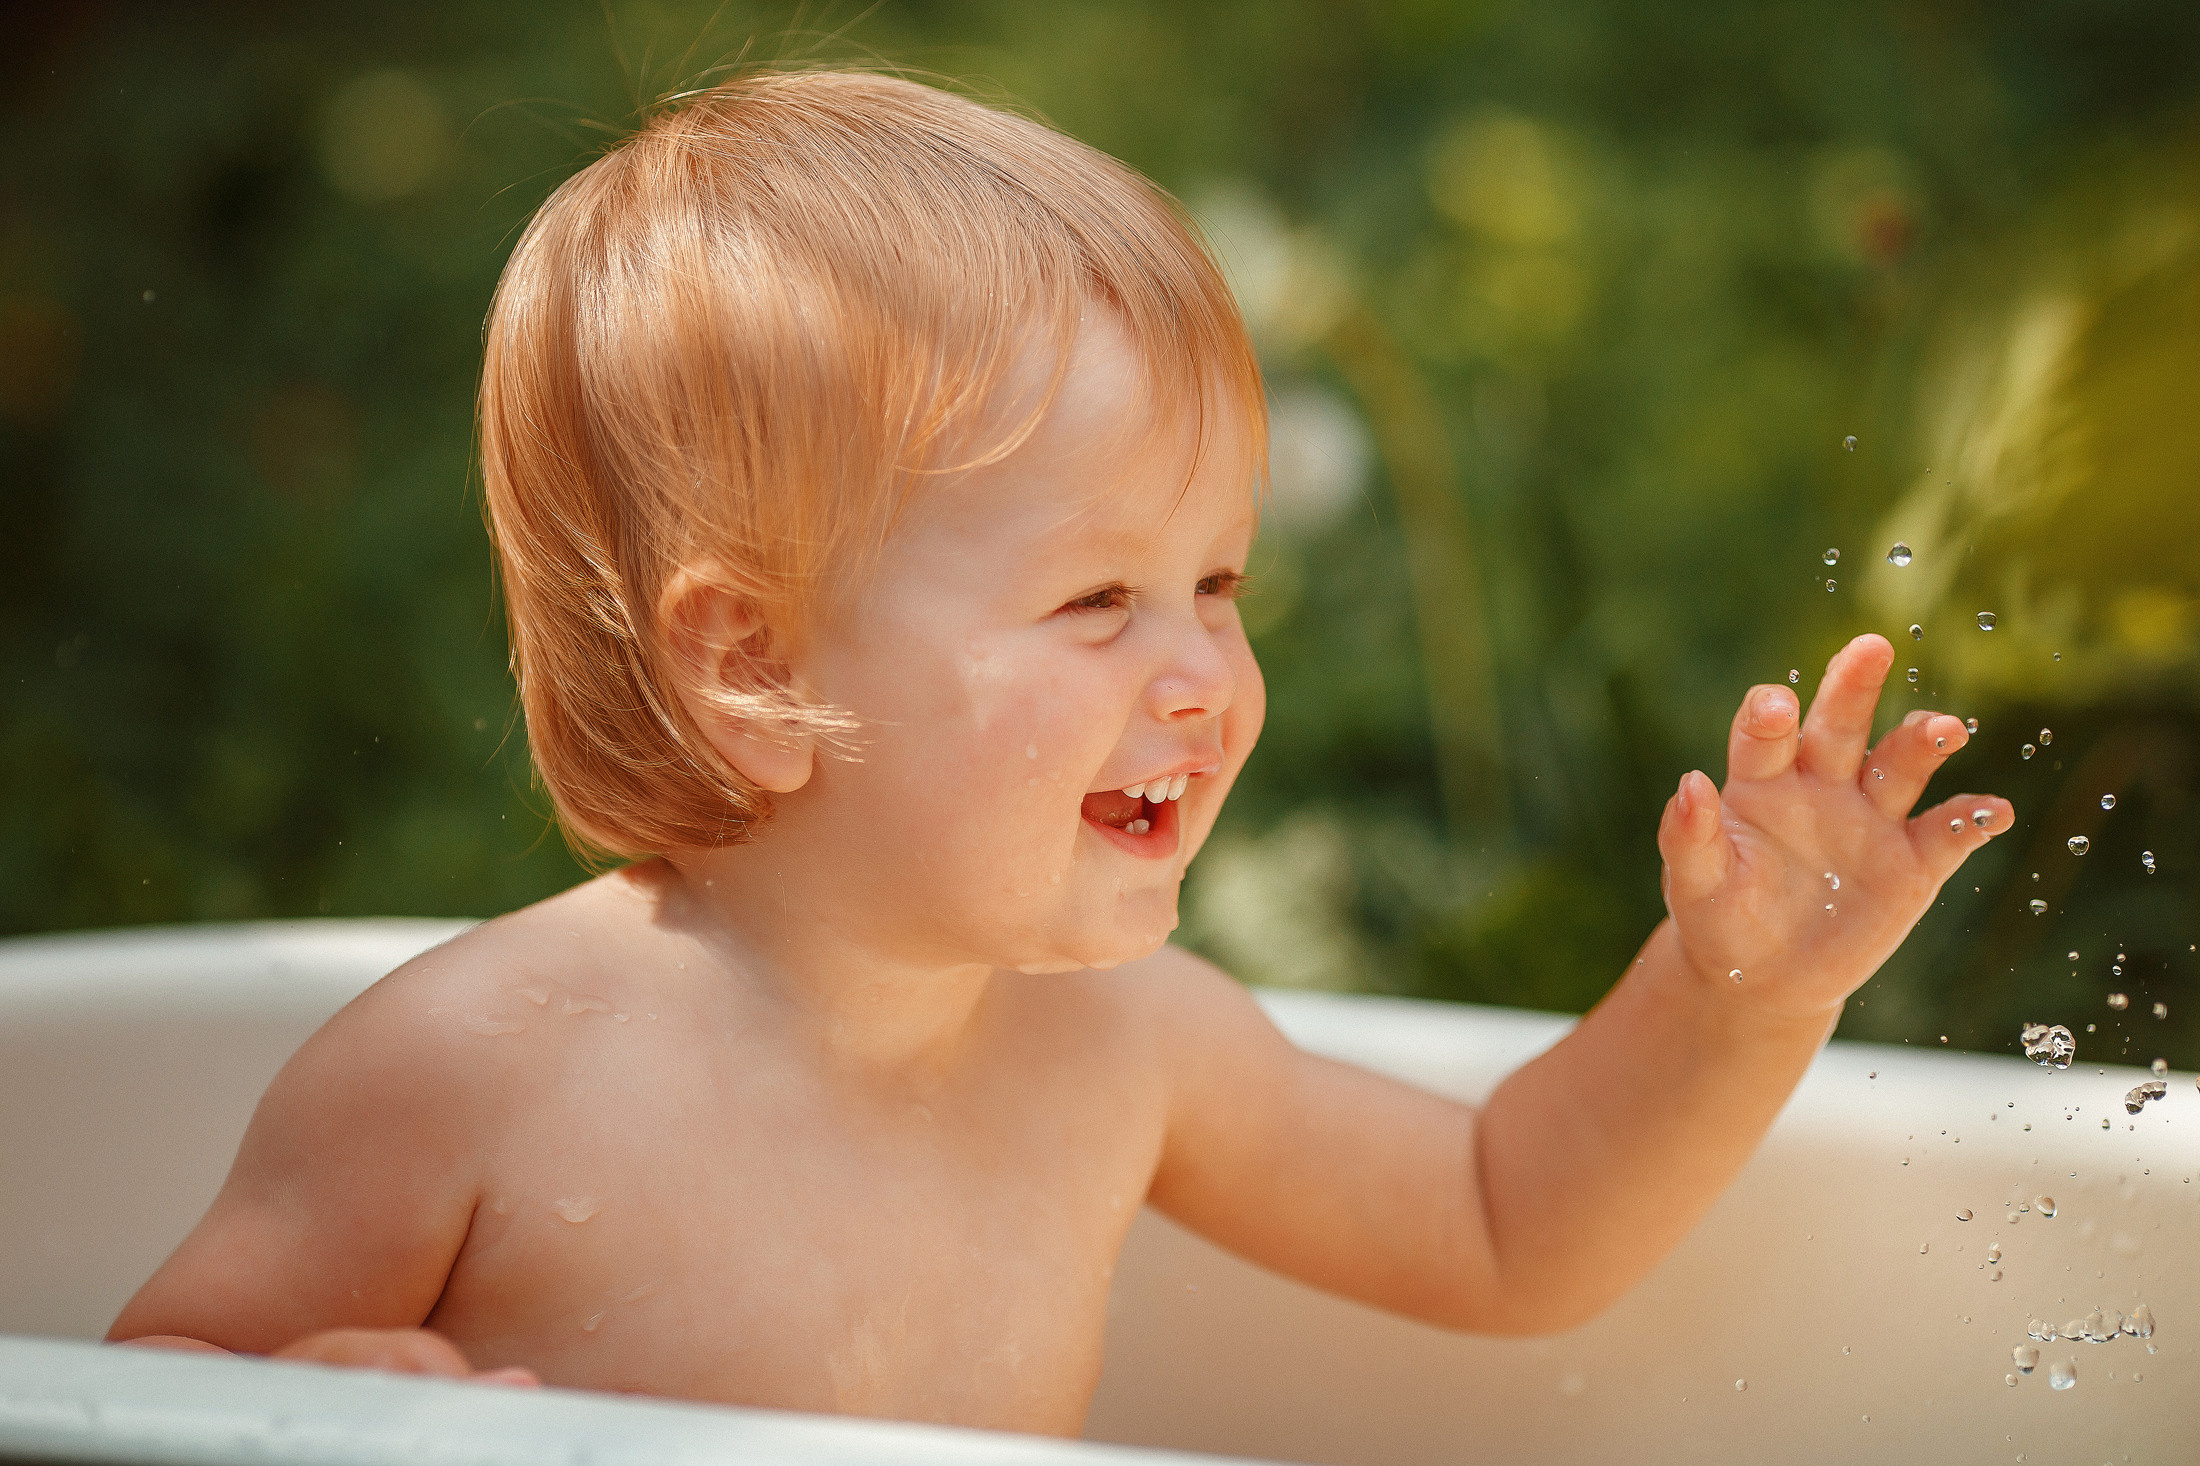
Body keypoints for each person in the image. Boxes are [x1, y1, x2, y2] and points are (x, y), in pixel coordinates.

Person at [108, 69, 2008, 1434]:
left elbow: (1509, 1223)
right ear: (754, 669)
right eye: (1100, 601)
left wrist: (1739, 991)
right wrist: (327, 1407)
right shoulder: (472, 1075)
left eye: (1219, 582)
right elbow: (124, 1399)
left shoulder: (1127, 1046)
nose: (1205, 674)